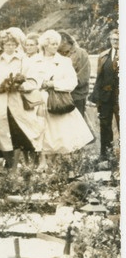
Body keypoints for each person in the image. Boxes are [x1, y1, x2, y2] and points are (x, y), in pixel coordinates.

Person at [0, 28, 44, 170]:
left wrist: (18, 85)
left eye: (13, 44)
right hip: (1, 102)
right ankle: (10, 165)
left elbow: (34, 81)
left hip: (17, 103)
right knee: (2, 135)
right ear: (2, 45)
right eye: (6, 44)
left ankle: (16, 169)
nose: (10, 47)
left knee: (18, 134)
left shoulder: (24, 61)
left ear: (17, 45)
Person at [35, 30, 94, 164]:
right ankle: (44, 164)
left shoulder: (64, 61)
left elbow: (72, 82)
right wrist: (40, 84)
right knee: (42, 132)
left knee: (62, 135)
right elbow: (29, 80)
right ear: (45, 45)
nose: (56, 46)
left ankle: (66, 166)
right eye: (52, 44)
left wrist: (53, 84)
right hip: (40, 101)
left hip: (58, 101)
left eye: (57, 44)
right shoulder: (34, 61)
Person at [90, 28, 119, 166]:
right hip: (106, 98)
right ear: (110, 40)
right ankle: (107, 156)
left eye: (118, 39)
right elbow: (99, 79)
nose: (116, 42)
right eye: (113, 39)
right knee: (105, 127)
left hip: (120, 99)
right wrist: (97, 99)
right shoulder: (103, 56)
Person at [58, 31, 91, 118]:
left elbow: (83, 77)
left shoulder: (81, 53)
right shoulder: (56, 54)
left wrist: (64, 85)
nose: (55, 44)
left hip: (76, 96)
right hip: (59, 97)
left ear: (64, 41)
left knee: (78, 123)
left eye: (56, 41)